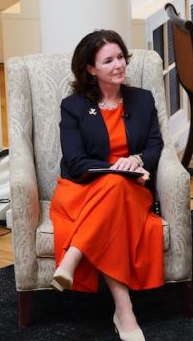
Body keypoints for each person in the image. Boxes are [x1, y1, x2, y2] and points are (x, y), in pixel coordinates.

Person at [49, 29, 163, 341]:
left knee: (117, 187)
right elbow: (74, 161)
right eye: (108, 60)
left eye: (121, 57)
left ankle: (73, 256)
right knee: (113, 185)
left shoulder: (141, 99)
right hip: (82, 190)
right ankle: (124, 311)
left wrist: (137, 161)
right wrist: (114, 168)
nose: (119, 65)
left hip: (132, 189)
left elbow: (155, 145)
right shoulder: (72, 106)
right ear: (90, 69)